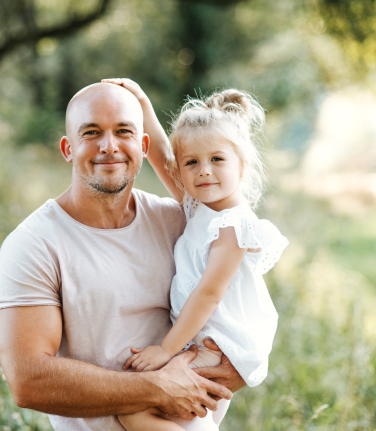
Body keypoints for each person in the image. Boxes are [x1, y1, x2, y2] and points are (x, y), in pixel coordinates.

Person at [0, 82, 244, 431]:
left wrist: (238, 367)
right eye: (91, 132)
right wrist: (156, 389)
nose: (109, 147)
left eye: (123, 131)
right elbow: (27, 379)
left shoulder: (178, 223)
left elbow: (240, 294)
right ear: (68, 148)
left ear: (143, 146)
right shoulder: (34, 244)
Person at [101, 79, 288, 431]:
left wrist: (165, 349)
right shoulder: (199, 206)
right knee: (186, 420)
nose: (203, 170)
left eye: (217, 159)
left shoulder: (234, 224)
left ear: (242, 165)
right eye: (192, 163)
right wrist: (142, 101)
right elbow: (158, 154)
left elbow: (209, 294)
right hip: (198, 338)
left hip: (215, 343)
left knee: (133, 408)